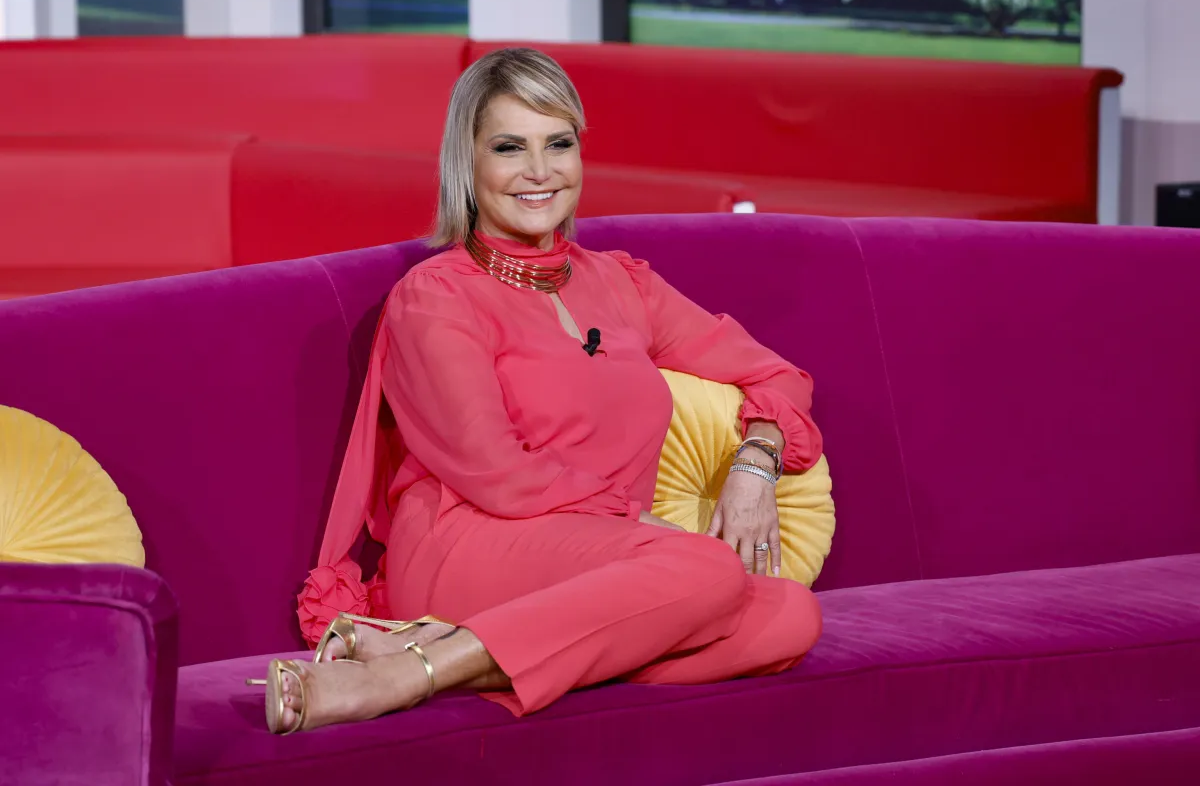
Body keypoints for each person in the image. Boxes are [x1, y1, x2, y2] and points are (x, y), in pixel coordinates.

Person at [255, 47, 824, 735]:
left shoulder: (623, 284)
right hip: (470, 543)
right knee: (706, 573)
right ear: (467, 164)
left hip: (606, 565)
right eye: (509, 147)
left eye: (558, 143)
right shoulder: (435, 297)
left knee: (790, 617)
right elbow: (496, 472)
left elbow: (776, 373)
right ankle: (398, 678)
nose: (539, 170)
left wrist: (754, 467)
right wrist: (639, 529)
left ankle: (441, 650)